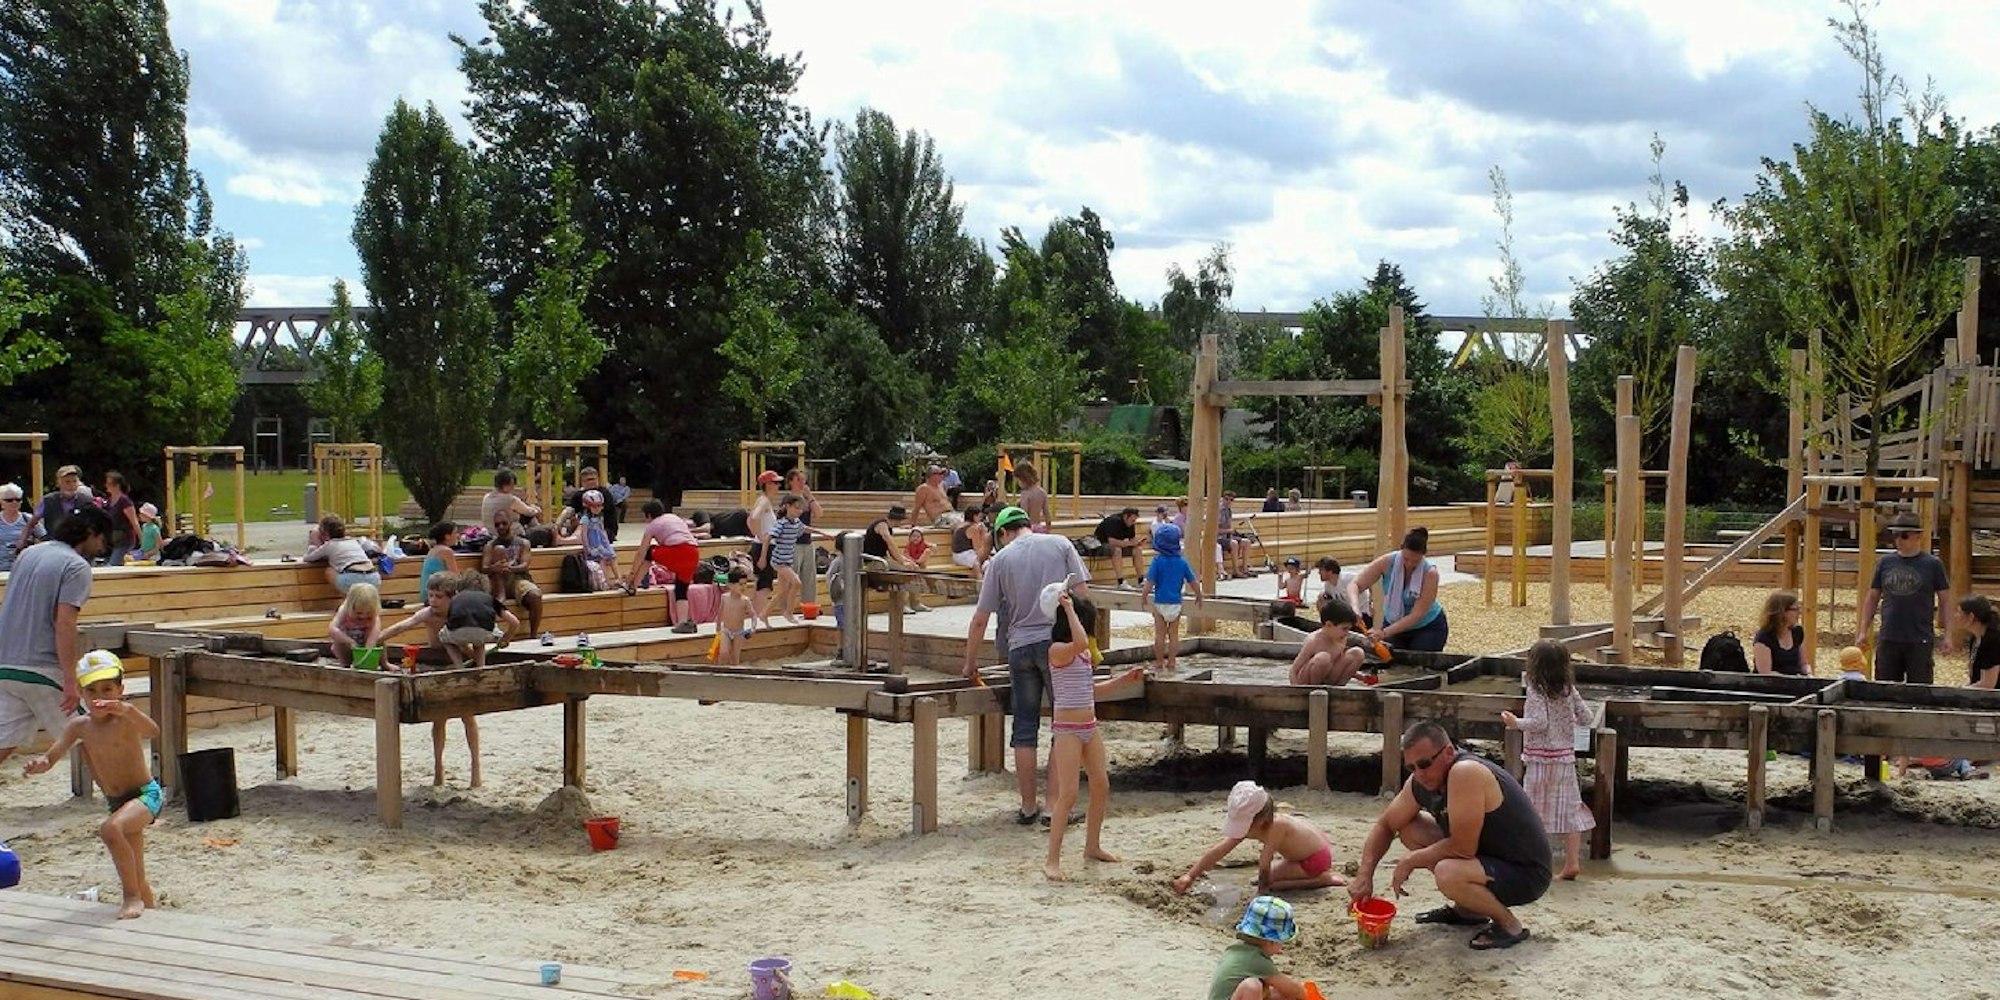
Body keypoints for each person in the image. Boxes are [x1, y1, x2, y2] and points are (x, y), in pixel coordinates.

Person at [1349, 720, 1551, 951]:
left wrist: (1411, 860)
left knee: (1448, 872)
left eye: (1424, 764)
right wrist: (1365, 876)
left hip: (1526, 873)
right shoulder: (1420, 781)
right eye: (1412, 767)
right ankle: (1469, 910)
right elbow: (1386, 825)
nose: (1420, 774)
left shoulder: (1465, 772)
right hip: (1487, 858)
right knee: (1410, 828)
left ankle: (1509, 925)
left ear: (1447, 752)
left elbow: (1463, 848)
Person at [963, 505, 1089, 824]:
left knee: (1024, 727)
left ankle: (1028, 806)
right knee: (1063, 726)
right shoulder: (1060, 544)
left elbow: (980, 618)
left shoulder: (1001, 560)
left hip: (1020, 647)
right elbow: (1083, 597)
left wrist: (970, 662)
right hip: (1057, 644)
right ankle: (1053, 808)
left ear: (1004, 532)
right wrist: (1086, 645)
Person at [21, 651, 160, 918]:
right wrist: (40, 764)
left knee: (111, 829)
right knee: (136, 872)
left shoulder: (125, 718)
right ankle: (151, 912)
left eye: (107, 689)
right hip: (117, 802)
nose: (100, 697)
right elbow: (52, 756)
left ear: (120, 690)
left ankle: (130, 898)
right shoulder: (80, 726)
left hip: (145, 795)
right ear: (81, 693)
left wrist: (129, 710)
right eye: (92, 690)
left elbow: (153, 731)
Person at [1042, 589, 1144, 881]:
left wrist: (1123, 680)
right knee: (1069, 793)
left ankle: (1092, 846)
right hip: (1067, 731)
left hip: (1089, 725)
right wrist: (1069, 607)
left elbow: (1091, 691)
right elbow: (1079, 641)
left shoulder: (1083, 652)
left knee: (1101, 784)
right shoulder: (1057, 650)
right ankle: (1052, 860)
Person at [0, 505, 110, 767]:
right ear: (90, 533)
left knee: (3, 741)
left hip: (6, 664)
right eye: (102, 538)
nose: (102, 547)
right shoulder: (76, 566)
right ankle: (128, 792)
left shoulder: (29, 554)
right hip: (42, 667)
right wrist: (71, 679)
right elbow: (64, 622)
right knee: (96, 737)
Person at [1500, 640, 1595, 881]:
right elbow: (1587, 717)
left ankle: (1534, 862)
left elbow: (1539, 722)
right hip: (1564, 759)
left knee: (1532, 810)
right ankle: (1572, 863)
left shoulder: (1536, 690)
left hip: (1540, 759)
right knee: (1569, 810)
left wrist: (1515, 723)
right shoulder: (1568, 689)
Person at [1174, 779, 1343, 895]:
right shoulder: (1257, 824)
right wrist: (1190, 875)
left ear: (1260, 821)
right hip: (1302, 852)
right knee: (1262, 879)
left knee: (1271, 884)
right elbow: (1220, 850)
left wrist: (1262, 893)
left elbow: (1265, 863)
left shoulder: (1277, 826)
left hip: (1314, 858)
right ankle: (1307, 876)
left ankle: (1322, 879)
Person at [1858, 510, 1952, 683]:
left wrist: (1948, 635)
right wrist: (1863, 631)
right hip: (1889, 637)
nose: (1899, 540)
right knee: (1885, 688)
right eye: (1895, 535)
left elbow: (1945, 601)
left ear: (1918, 536)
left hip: (1919, 639)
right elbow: (1872, 598)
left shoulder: (1933, 564)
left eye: (1904, 535)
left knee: (1920, 689)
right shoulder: (1885, 562)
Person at [1350, 526, 1448, 652]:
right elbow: (1355, 584)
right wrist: (1355, 608)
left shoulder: (1430, 573)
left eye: (1415, 562)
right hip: (1392, 621)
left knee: (1418, 659)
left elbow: (1417, 615)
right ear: (1401, 550)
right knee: (1388, 657)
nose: (1409, 564)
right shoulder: (1387, 562)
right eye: (1406, 559)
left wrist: (1383, 633)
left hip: (1426, 626)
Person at [627, 499, 708, 634]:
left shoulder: (653, 525)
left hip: (679, 550)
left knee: (649, 553)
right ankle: (683, 622)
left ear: (649, 515)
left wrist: (631, 575)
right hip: (693, 552)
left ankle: (633, 586)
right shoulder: (673, 517)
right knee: (681, 589)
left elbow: (641, 552)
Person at [1205, 896, 1305, 1000]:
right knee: (1252, 986)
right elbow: (1294, 990)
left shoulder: (1237, 949)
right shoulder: (1257, 961)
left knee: (1270, 990)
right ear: (1271, 942)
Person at [1141, 523, 1202, 673]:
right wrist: (1198, 595)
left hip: (1160, 602)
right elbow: (1193, 580)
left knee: (1160, 635)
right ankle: (1172, 662)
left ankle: (1159, 662)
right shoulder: (1182, 562)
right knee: (1174, 635)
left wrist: (1144, 596)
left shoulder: (1157, 562)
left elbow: (1149, 582)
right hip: (1176, 603)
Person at [481, 515, 545, 641]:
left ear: (510, 523)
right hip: (497, 580)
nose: (501, 527)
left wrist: (509, 568)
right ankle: (500, 597)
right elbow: (484, 568)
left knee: (535, 595)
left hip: (517, 579)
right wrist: (495, 567)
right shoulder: (490, 545)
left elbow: (524, 565)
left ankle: (533, 636)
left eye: (504, 523)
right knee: (499, 549)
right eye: (497, 524)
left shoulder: (523, 543)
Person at [1291, 597, 1370, 686]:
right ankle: (1314, 688)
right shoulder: (1314, 641)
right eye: (1344, 629)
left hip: (1328, 676)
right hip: (1309, 680)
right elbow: (1294, 670)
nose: (1347, 633)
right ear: (1329, 625)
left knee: (1357, 653)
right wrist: (1296, 688)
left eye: (1349, 629)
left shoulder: (1341, 638)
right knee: (1323, 658)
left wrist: (1360, 676)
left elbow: (1337, 662)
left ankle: (1338, 687)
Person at [865, 504, 926, 613]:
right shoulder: (882, 525)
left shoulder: (889, 528)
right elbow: (890, 544)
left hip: (883, 559)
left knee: (915, 568)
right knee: (904, 572)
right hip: (874, 561)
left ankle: (915, 602)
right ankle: (901, 604)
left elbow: (892, 552)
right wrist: (903, 562)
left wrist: (908, 561)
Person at [17, 464, 90, 555]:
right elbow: (31, 524)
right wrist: (22, 542)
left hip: (79, 549)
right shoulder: (48, 500)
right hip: (55, 549)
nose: (71, 485)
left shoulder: (86, 500)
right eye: (67, 482)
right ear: (58, 483)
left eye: (74, 481)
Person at [303, 514, 383, 595]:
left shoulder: (329, 545)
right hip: (374, 576)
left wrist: (313, 545)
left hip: (352, 577)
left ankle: (347, 599)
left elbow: (308, 558)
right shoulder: (354, 541)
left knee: (329, 571)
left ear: (324, 534)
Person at [746, 470, 782, 622]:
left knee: (760, 584)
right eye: (775, 483)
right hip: (764, 548)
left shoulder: (762, 500)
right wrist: (761, 536)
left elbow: (750, 519)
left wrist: (757, 534)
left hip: (761, 546)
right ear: (767, 485)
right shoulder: (764, 501)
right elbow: (753, 518)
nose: (778, 486)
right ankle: (759, 619)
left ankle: (755, 618)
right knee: (764, 586)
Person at [328, 582, 384, 668]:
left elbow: (375, 632)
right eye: (358, 613)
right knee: (339, 642)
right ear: (350, 606)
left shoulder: (375, 614)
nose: (363, 616)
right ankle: (344, 664)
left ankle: (385, 663)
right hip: (348, 644)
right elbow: (332, 629)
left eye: (368, 614)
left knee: (381, 639)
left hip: (365, 642)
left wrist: (368, 648)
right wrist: (349, 641)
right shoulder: (344, 610)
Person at [1753, 590, 1806, 676]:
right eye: (1795, 609)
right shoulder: (1764, 637)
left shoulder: (1797, 632)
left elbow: (1804, 664)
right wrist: (1791, 679)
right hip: (1774, 682)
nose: (1799, 612)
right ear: (1781, 612)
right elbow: (1765, 673)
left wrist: (1809, 675)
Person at [1092, 507, 1145, 587]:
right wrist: (1129, 543)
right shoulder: (1113, 521)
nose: (1133, 523)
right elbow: (1112, 541)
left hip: (1119, 545)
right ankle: (1120, 581)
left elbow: (1132, 539)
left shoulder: (1130, 524)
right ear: (1125, 516)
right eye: (1132, 520)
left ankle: (1141, 580)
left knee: (1138, 550)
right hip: (1101, 545)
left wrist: (1137, 543)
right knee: (1117, 550)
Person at [480, 469, 543, 534]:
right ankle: (539, 531)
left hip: (490, 531)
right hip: (509, 533)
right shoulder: (510, 499)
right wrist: (537, 509)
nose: (513, 487)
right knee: (529, 517)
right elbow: (529, 511)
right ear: (506, 485)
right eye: (512, 485)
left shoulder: (486, 497)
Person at [1316, 556, 1372, 627]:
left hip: (1361, 615)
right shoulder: (1328, 585)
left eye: (1321, 570)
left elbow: (1370, 583)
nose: (1319, 573)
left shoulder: (1348, 578)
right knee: (1320, 599)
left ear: (1330, 571)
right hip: (1347, 618)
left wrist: (1371, 602)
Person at [1958, 594, 2000, 690]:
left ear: (1971, 617)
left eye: (1959, 612)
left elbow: (1988, 684)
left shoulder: (1993, 641)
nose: (1956, 616)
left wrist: (1959, 691)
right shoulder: (1975, 638)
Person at [102, 471, 141, 566]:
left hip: (125, 540)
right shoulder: (109, 501)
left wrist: (142, 539)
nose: (106, 485)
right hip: (113, 540)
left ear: (117, 485)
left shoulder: (125, 501)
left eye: (109, 483)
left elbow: (134, 521)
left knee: (113, 565)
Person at [0, 483, 42, 571]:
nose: (14, 502)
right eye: (9, 500)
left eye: (18, 500)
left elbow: (44, 540)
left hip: (25, 569)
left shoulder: (29, 519)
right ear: (1, 502)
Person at [718, 567, 754, 665]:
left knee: (735, 657)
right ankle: (720, 669)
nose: (743, 587)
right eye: (740, 584)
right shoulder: (724, 597)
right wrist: (718, 627)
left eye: (745, 584)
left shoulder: (745, 600)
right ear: (730, 585)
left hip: (739, 632)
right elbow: (720, 613)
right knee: (723, 653)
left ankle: (733, 670)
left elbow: (753, 615)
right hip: (726, 630)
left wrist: (753, 627)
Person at [420, 522, 461, 600]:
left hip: (428, 595)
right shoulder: (446, 551)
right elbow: (455, 577)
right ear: (447, 536)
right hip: (437, 596)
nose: (458, 535)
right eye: (455, 533)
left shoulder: (432, 550)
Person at [950, 506, 991, 579]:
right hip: (963, 555)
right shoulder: (973, 528)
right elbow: (978, 549)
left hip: (957, 555)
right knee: (983, 563)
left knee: (986, 561)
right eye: (979, 517)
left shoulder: (961, 525)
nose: (981, 519)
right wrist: (984, 534)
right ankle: (980, 581)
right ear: (974, 516)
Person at [1217, 492, 1250, 578]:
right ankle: (1236, 571)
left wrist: (1231, 532)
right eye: (1226, 499)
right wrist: (1229, 531)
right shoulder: (1218, 511)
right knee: (1234, 543)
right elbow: (1214, 530)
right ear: (1222, 498)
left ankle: (1245, 569)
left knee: (1246, 542)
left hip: (1227, 537)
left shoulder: (1229, 511)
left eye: (1231, 500)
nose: (1228, 501)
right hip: (1218, 538)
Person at [1015, 463, 1052, 533]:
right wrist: (1048, 529)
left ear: (1023, 479)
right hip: (1038, 527)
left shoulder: (1025, 494)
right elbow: (1047, 513)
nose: (1018, 484)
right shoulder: (1042, 492)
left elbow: (1024, 513)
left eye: (1018, 481)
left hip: (1028, 528)